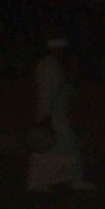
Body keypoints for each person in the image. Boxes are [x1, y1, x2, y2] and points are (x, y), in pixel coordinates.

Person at [26, 37, 95, 193]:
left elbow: (62, 91)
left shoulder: (53, 66)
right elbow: (46, 93)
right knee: (46, 148)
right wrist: (46, 117)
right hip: (52, 116)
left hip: (57, 114)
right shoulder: (49, 67)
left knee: (64, 148)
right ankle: (38, 181)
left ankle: (71, 178)